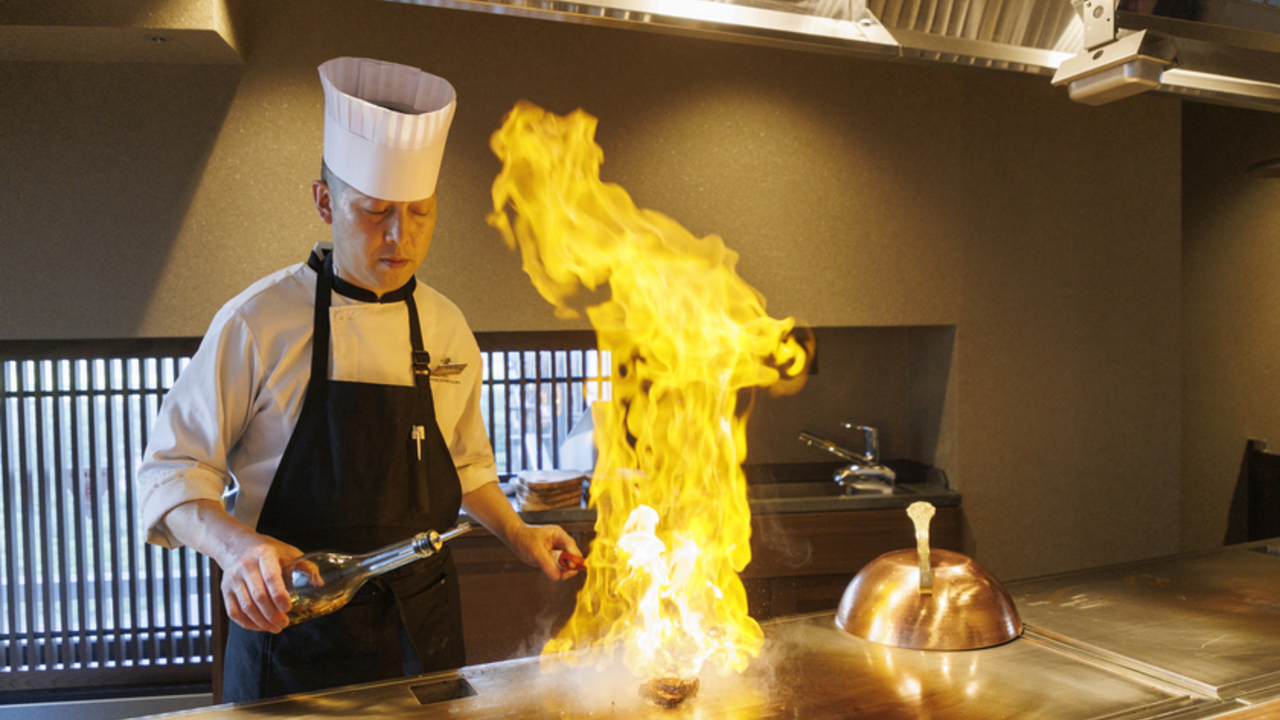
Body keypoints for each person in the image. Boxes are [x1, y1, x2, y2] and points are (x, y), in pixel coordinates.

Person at [137, 57, 582, 703]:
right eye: (375, 212)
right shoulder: (256, 323)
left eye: (420, 213)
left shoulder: (446, 325)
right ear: (325, 202)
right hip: (293, 641)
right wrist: (237, 549)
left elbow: (468, 467)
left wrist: (519, 534)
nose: (400, 236)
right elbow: (171, 472)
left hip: (421, 638)